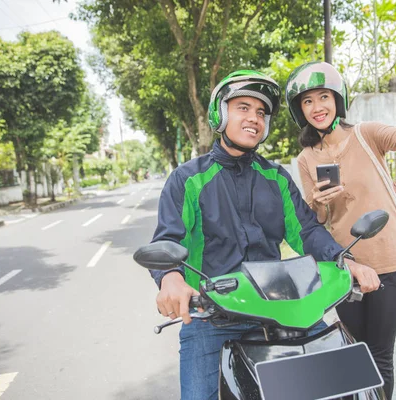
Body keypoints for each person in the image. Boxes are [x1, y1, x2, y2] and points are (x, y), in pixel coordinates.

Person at [148, 70, 381, 400]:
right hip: (213, 316)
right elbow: (167, 241)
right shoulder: (187, 179)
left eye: (261, 113)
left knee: (348, 388)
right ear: (220, 113)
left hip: (283, 309)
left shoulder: (276, 178)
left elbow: (306, 230)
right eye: (243, 107)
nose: (254, 118)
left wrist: (346, 261)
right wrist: (170, 277)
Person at [286, 61, 396, 400]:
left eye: (323, 97)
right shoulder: (306, 158)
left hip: (390, 262)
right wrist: (317, 199)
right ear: (300, 110)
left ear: (337, 100)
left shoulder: (366, 134)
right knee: (353, 350)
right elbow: (314, 221)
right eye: (308, 101)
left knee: (379, 353)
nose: (317, 107)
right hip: (345, 268)